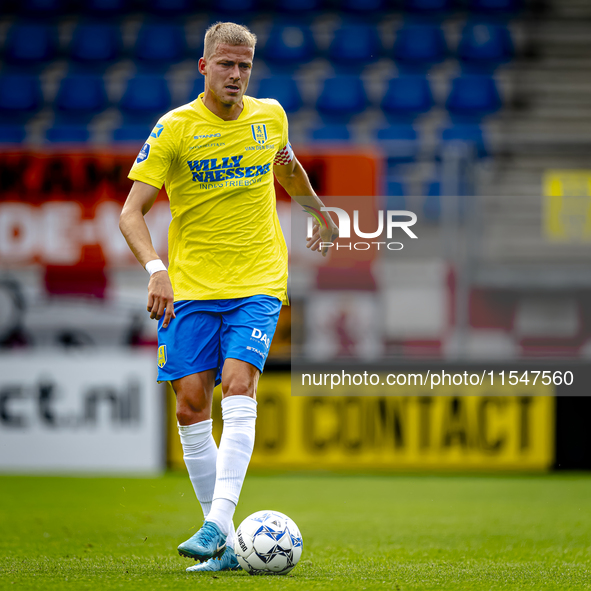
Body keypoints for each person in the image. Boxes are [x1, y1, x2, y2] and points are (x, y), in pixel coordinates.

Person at [119, 21, 338, 573]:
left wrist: (316, 211)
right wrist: (155, 269)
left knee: (238, 386)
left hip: (258, 282)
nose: (237, 75)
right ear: (204, 67)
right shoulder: (174, 130)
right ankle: (226, 545)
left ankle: (218, 522)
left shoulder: (271, 116)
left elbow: (286, 169)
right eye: (226, 65)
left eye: (244, 66)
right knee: (191, 406)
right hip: (189, 289)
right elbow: (131, 212)